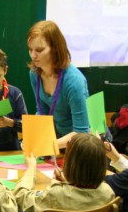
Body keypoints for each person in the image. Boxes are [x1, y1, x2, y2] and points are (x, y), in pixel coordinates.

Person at [27, 20, 90, 149]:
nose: (33, 55)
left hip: (84, 147)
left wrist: (47, 145)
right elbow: (43, 113)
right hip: (60, 142)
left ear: (55, 49)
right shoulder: (34, 74)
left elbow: (81, 132)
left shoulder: (74, 81)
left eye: (39, 50)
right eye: (30, 49)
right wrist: (32, 139)